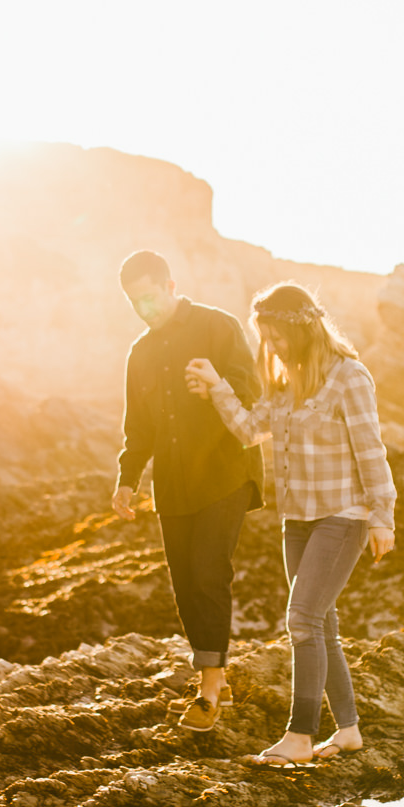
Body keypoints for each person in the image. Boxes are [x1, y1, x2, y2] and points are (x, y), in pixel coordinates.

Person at [184, 282, 397, 767]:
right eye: (267, 338)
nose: (272, 346)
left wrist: (382, 516)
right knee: (322, 624)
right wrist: (219, 387)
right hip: (296, 521)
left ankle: (300, 736)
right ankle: (348, 731)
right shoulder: (283, 386)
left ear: (302, 329)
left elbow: (371, 449)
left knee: (301, 619)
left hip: (343, 517)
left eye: (278, 335)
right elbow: (246, 430)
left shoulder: (350, 377)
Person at [113, 250, 265, 732]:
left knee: (207, 570)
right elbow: (138, 426)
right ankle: (213, 669)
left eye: (151, 296)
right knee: (183, 582)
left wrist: (216, 387)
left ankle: (210, 691)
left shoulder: (218, 327)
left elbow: (251, 388)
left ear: (170, 284)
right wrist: (127, 478)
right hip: (174, 483)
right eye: (136, 302)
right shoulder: (139, 354)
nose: (146, 308)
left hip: (224, 471)